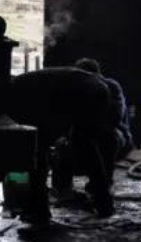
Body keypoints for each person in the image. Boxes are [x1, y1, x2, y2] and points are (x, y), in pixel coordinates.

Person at [9, 65, 119, 219]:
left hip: (77, 91)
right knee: (85, 143)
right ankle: (103, 201)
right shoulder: (20, 86)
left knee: (40, 149)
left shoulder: (14, 98)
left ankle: (38, 206)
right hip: (96, 88)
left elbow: (36, 144)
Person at [73, 57, 134, 160]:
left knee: (106, 138)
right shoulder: (78, 88)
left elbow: (115, 118)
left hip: (115, 131)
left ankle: (104, 174)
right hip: (90, 130)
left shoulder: (111, 86)